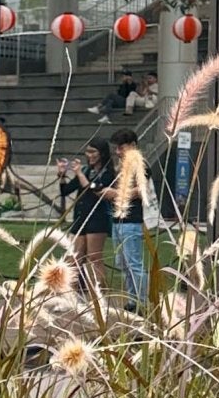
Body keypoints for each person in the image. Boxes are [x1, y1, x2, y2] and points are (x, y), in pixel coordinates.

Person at [57, 138, 114, 293]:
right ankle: (72, 292)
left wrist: (79, 174)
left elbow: (96, 189)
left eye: (93, 151)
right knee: (74, 257)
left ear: (101, 153)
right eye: (87, 151)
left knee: (94, 257)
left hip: (97, 219)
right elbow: (65, 191)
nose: (89, 155)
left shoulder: (108, 173)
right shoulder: (86, 171)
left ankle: (101, 293)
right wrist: (62, 175)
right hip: (80, 217)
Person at [109, 127, 150, 306]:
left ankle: (142, 301)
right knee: (123, 263)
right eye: (116, 148)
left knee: (134, 263)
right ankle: (132, 300)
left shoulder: (140, 164)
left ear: (132, 145)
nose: (118, 152)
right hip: (118, 219)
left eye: (121, 147)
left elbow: (142, 190)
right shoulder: (120, 166)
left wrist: (118, 193)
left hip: (131, 220)